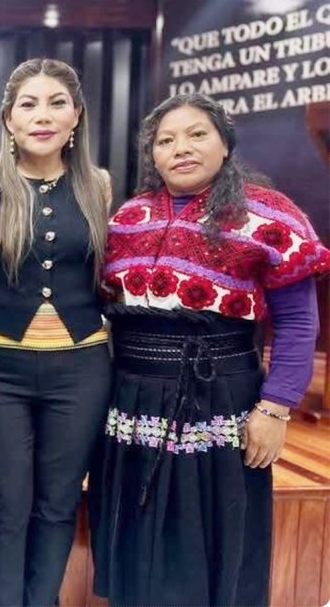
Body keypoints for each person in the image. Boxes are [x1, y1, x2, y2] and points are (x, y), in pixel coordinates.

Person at [90, 93, 330, 606]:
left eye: (197, 134)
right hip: (132, 399)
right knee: (135, 533)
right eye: (165, 140)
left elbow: (297, 321)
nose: (181, 148)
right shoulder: (128, 218)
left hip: (220, 396)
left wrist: (276, 408)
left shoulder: (269, 215)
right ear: (152, 155)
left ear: (225, 143)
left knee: (213, 534)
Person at [0, 58, 112, 606]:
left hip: (82, 367)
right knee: (6, 501)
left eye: (57, 103)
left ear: (77, 116)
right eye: (28, 104)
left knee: (58, 502)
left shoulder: (98, 185)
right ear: (8, 118)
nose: (42, 116)